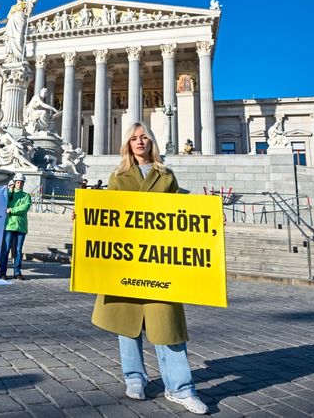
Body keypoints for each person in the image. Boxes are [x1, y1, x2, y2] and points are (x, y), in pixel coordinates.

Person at [91, 122, 209, 414]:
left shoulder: (166, 175)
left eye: (144, 137)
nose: (139, 142)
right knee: (126, 324)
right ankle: (134, 379)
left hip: (159, 261)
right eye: (133, 138)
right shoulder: (117, 176)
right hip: (126, 260)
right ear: (127, 145)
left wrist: (208, 225)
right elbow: (109, 216)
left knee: (167, 325)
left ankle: (180, 387)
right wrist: (87, 219)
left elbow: (179, 215)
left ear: (151, 142)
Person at [0, 173, 32, 280]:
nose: (20, 184)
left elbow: (25, 208)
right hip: (9, 225)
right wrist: (9, 191)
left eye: (21, 182)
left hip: (21, 226)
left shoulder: (27, 196)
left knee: (18, 250)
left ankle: (17, 272)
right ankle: (3, 272)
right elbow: (3, 202)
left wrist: (12, 210)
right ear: (15, 182)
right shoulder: (9, 194)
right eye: (18, 182)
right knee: (5, 249)